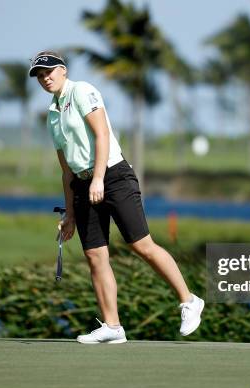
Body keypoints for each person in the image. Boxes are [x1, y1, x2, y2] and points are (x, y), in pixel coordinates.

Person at [29, 51, 204, 344]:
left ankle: (189, 301)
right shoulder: (52, 114)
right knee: (95, 255)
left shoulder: (82, 91)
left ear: (63, 70)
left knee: (141, 245)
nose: (45, 78)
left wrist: (98, 178)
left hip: (113, 175)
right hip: (83, 184)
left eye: (49, 72)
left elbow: (102, 135)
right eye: (39, 75)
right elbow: (66, 171)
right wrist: (69, 213)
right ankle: (113, 326)